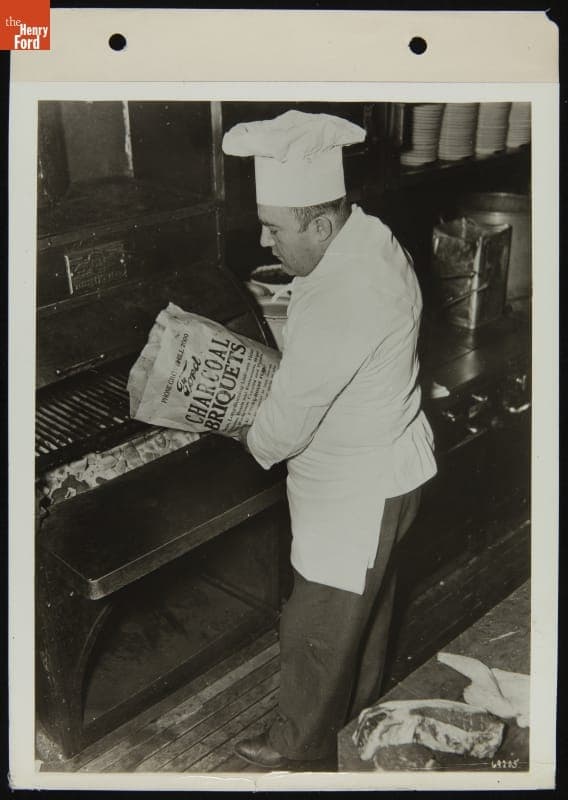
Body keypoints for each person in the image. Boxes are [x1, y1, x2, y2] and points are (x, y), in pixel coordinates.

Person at [222, 110, 437, 769]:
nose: (265, 241)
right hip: (394, 476)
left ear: (321, 222)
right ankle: (353, 727)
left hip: (354, 499)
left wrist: (234, 426)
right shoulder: (370, 240)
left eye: (276, 228)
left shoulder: (345, 295)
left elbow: (284, 425)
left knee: (316, 631)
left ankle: (300, 752)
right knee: (363, 623)